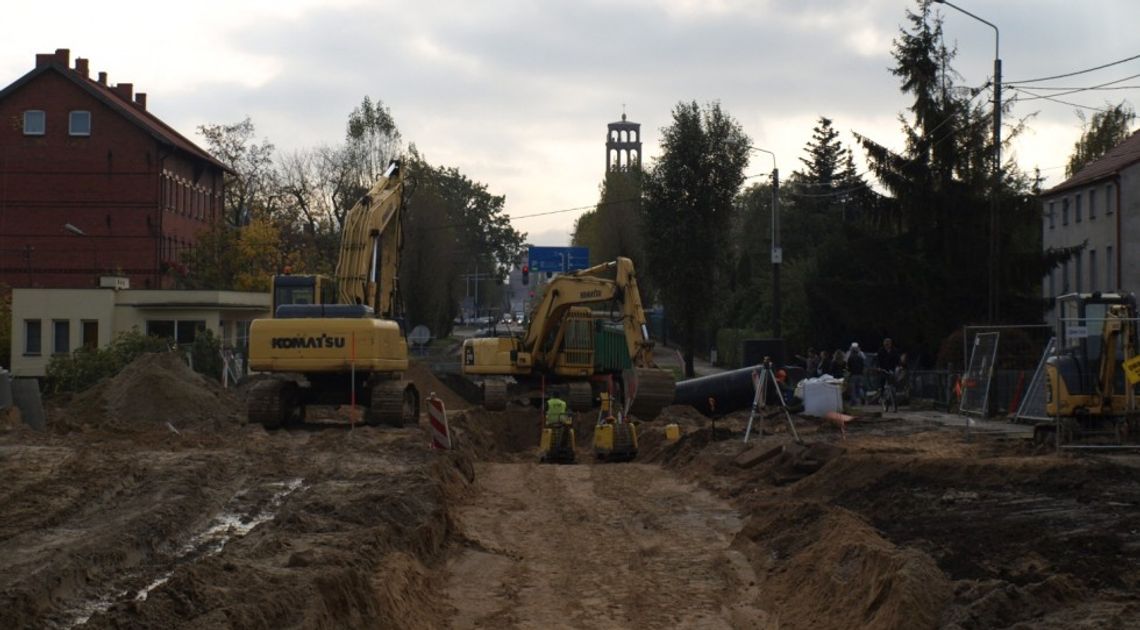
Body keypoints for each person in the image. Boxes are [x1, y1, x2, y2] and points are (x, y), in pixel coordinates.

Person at [876, 338, 901, 411]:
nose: (887, 345)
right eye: (886, 344)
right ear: (884, 344)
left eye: (888, 344)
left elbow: (898, 359)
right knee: (882, 382)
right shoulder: (881, 351)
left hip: (892, 369)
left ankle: (894, 398)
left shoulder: (894, 351)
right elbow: (878, 360)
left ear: (891, 344)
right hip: (883, 369)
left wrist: (899, 366)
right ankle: (882, 395)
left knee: (893, 383)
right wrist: (878, 367)